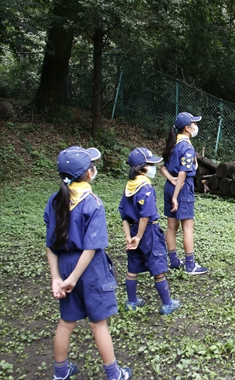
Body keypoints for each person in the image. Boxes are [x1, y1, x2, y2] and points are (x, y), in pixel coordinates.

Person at [44, 146, 132, 380]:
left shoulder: (55, 201)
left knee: (66, 322)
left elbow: (50, 246)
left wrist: (57, 278)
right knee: (98, 324)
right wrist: (73, 279)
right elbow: (91, 247)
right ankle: (114, 374)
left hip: (64, 265)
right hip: (90, 270)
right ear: (89, 173)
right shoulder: (93, 203)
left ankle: (60, 373)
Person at [119, 147, 181, 315]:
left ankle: (132, 302)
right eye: (150, 164)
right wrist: (139, 236)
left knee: (132, 268)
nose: (154, 168)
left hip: (132, 230)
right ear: (141, 169)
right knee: (157, 266)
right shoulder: (146, 188)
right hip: (148, 232)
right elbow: (146, 216)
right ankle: (167, 303)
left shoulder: (128, 187)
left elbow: (123, 214)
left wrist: (129, 237)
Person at [161, 112, 209, 275]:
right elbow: (183, 173)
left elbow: (163, 167)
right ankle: (190, 265)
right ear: (187, 128)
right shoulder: (186, 147)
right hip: (182, 189)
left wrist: (171, 181)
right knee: (187, 227)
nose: (196, 126)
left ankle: (173, 261)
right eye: (194, 123)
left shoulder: (172, 143)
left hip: (170, 186)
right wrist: (176, 195)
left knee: (171, 226)